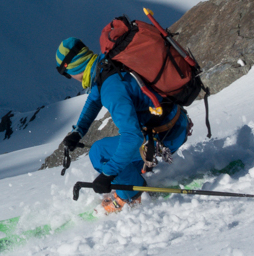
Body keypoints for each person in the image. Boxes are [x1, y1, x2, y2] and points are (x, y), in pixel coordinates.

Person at [56, 35, 190, 212]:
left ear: (72, 68)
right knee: (120, 161)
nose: (69, 77)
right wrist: (78, 131)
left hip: (166, 136)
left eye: (66, 74)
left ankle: (131, 197)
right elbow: (94, 99)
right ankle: (133, 181)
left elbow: (132, 138)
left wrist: (107, 174)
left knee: (100, 152)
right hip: (176, 123)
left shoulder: (112, 88)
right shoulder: (106, 65)